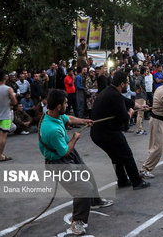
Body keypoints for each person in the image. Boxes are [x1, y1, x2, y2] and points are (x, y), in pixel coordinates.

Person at [39, 89, 112, 235]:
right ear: (59, 106)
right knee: (82, 188)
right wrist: (75, 138)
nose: (67, 104)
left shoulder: (55, 115)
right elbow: (65, 151)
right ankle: (77, 223)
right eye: (65, 103)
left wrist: (83, 121)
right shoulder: (51, 129)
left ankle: (95, 201)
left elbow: (69, 119)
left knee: (87, 174)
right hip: (59, 162)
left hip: (68, 155)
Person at [90, 71, 151, 190]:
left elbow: (128, 102)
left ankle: (122, 180)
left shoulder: (110, 91)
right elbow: (124, 118)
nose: (128, 85)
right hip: (107, 132)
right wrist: (131, 112)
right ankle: (137, 182)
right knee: (126, 154)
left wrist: (140, 107)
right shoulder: (114, 95)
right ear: (122, 84)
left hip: (97, 133)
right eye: (127, 83)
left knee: (117, 157)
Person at [135, 67, 148, 135]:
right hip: (140, 97)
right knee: (140, 114)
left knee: (141, 114)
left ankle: (140, 128)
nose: (147, 72)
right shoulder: (140, 77)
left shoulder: (142, 77)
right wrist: (140, 89)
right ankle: (139, 130)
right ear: (144, 71)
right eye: (146, 71)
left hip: (142, 97)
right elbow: (137, 83)